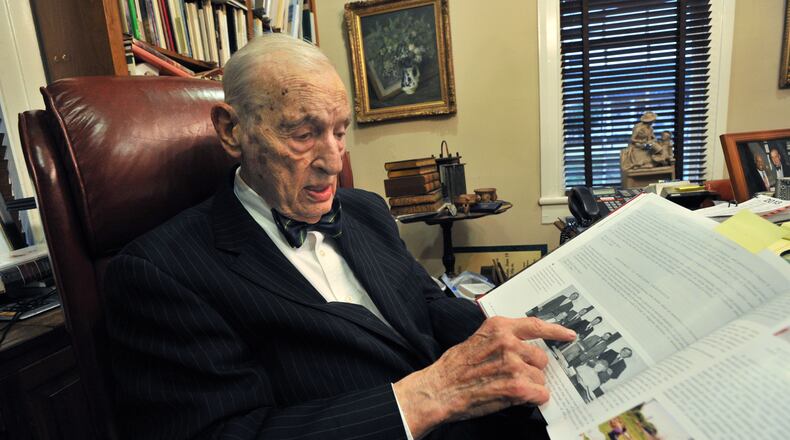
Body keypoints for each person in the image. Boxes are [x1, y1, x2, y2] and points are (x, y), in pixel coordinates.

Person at [104, 34, 576, 439]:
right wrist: (429, 395)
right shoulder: (160, 273)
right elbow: (227, 433)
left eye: (340, 131)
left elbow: (424, 304)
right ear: (232, 131)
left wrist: (502, 332)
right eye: (304, 133)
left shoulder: (365, 209)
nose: (333, 162)